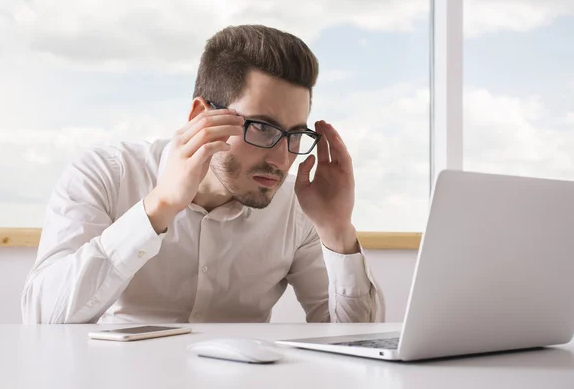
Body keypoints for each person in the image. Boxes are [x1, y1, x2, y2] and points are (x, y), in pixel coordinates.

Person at [21, 25, 378, 324]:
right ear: (200, 116)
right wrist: (157, 208)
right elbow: (41, 318)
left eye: (295, 135)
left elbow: (356, 343)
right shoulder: (106, 175)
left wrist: (337, 232)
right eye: (263, 129)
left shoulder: (297, 208)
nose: (281, 158)